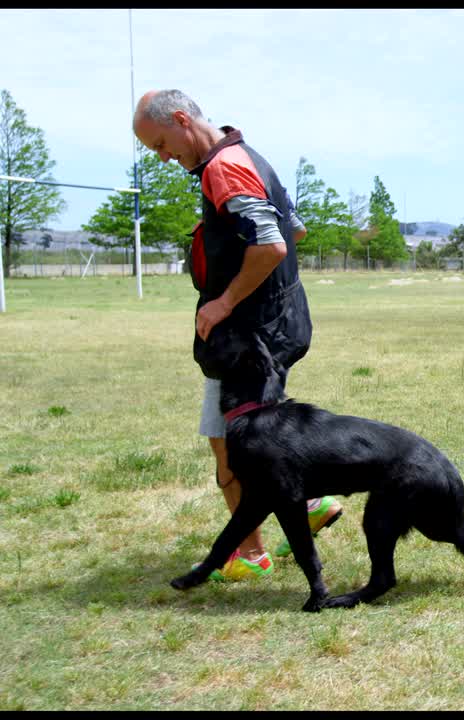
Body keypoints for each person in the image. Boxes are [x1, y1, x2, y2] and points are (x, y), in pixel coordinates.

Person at [133, 88, 342, 581]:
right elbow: (296, 230)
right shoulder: (247, 154)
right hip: (281, 324)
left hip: (248, 336)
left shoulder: (222, 167)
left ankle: (251, 554)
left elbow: (270, 245)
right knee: (257, 433)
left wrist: (224, 300)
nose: (164, 157)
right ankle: (307, 504)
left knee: (227, 440)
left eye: (161, 144)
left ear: (183, 119)